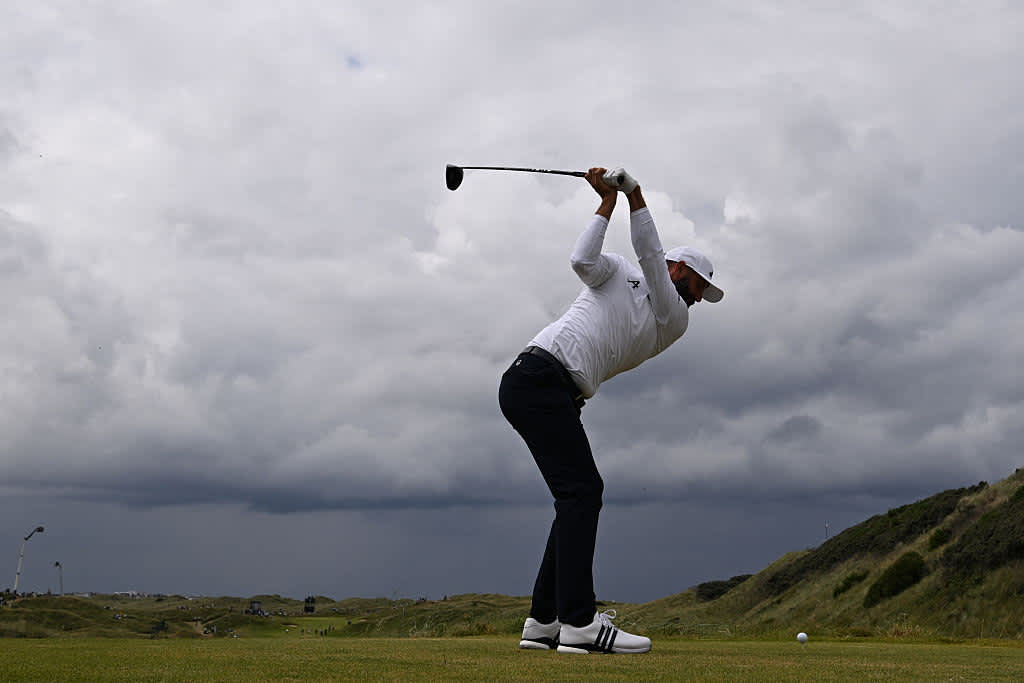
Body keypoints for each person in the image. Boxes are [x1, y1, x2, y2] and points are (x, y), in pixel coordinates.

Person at [498, 166, 723, 654]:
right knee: (583, 493)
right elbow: (582, 259)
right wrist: (610, 203)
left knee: (576, 497)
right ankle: (578, 622)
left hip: (549, 388)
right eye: (702, 283)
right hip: (537, 377)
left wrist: (632, 196)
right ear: (680, 270)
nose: (702, 297)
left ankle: (543, 621)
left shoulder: (674, 316)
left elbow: (648, 252)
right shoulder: (622, 270)